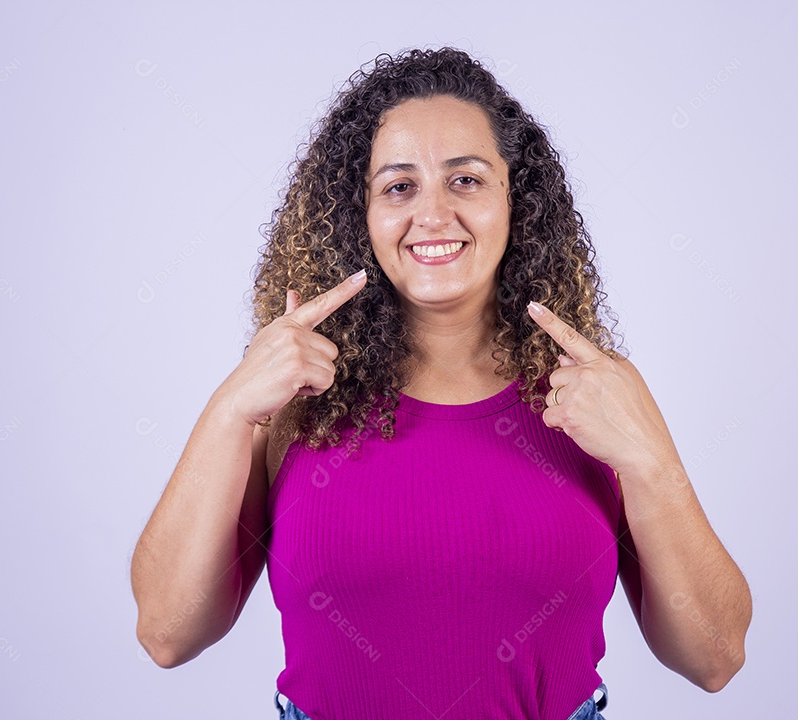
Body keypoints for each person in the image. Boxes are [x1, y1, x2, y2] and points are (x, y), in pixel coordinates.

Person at [130, 47, 752, 720]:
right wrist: (230, 411)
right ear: (359, 215)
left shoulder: (596, 391)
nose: (431, 216)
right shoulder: (286, 401)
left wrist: (650, 467)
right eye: (399, 186)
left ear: (518, 200)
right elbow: (168, 634)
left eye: (466, 181)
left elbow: (713, 657)